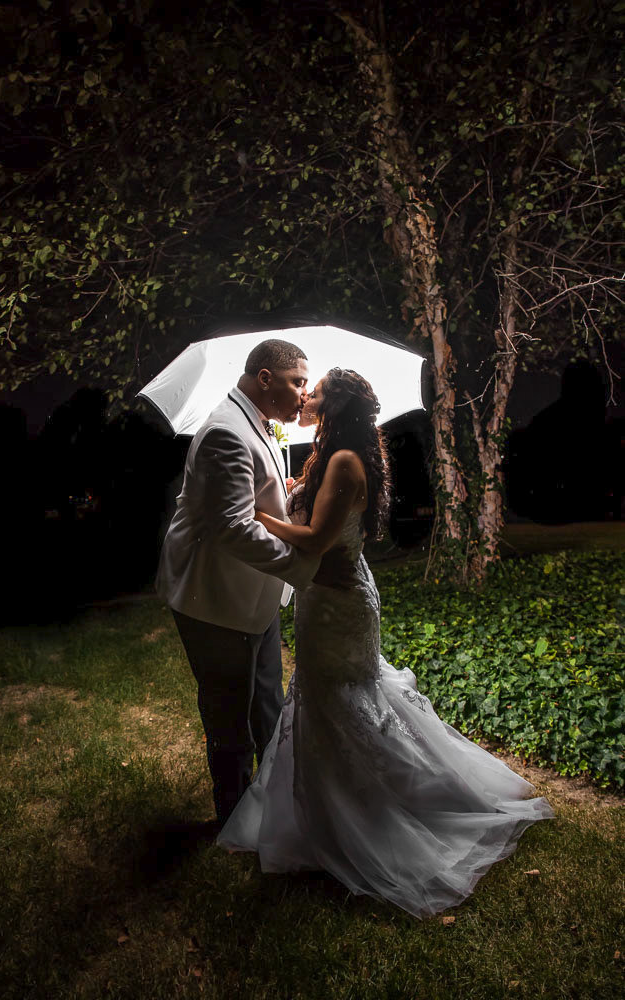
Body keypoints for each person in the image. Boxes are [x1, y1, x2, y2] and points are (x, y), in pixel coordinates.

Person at [217, 368, 554, 919]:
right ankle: (326, 813)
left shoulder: (346, 461)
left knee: (343, 702)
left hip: (339, 604)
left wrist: (255, 517)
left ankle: (373, 814)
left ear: (335, 406)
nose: (305, 395)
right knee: (328, 704)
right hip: (320, 597)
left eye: (314, 390)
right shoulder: (328, 454)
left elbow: (317, 538)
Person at [156, 339, 321, 826]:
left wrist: (287, 495)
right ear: (265, 378)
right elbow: (231, 527)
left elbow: (257, 498)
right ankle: (232, 815)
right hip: (215, 599)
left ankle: (271, 803)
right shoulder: (226, 431)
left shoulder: (260, 423)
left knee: (267, 702)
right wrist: (300, 566)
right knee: (229, 716)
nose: (304, 394)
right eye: (297, 382)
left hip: (256, 597)